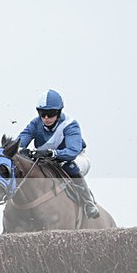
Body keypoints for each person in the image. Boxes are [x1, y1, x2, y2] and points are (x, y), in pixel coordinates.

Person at [17, 89, 101, 219]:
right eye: (42, 114)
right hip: (47, 161)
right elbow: (20, 140)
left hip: (73, 158)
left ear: (58, 112)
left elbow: (72, 151)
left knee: (70, 166)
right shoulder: (35, 123)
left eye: (50, 114)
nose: (46, 118)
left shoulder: (70, 125)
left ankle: (88, 202)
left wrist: (52, 153)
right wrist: (20, 149)